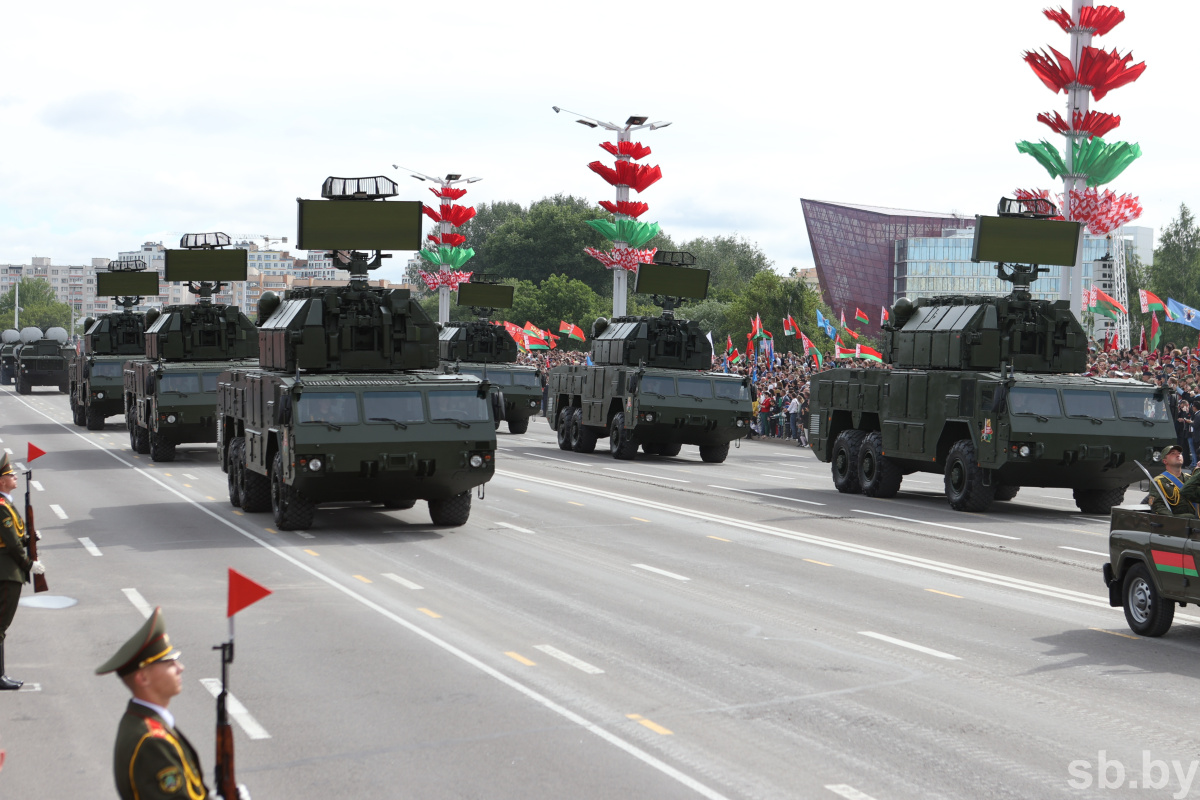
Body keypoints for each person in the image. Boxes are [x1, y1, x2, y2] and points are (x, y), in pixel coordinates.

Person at [96, 607, 210, 800]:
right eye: (169, 664)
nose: (180, 668)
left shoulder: (142, 722)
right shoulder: (152, 741)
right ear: (143, 678)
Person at [0, 454, 43, 691]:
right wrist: (29, 565)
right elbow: (11, 545)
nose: (15, 477)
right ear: (1, 481)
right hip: (7, 573)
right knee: (0, 626)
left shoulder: (7, 504)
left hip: (8, 570)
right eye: (10, 475)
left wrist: (30, 539)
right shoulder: (2, 507)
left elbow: (14, 539)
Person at [1149, 445, 1198, 518]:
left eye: (1179, 453)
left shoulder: (1190, 478)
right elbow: (1158, 506)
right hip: (1179, 523)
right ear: (1165, 461)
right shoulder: (1159, 481)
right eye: (1173, 453)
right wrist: (1174, 520)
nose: (1178, 455)